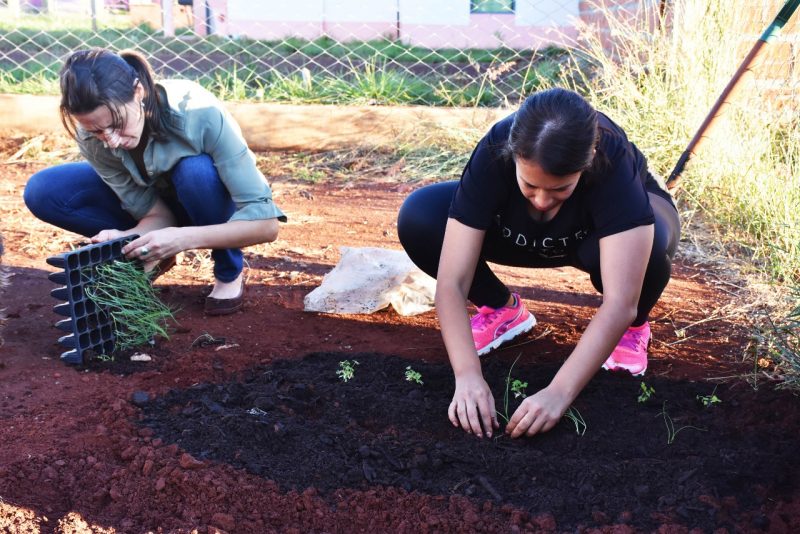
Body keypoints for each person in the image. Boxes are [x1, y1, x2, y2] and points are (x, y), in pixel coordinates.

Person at [397, 88, 680, 439]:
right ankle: (501, 309)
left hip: (597, 232)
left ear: (588, 160)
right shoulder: (494, 149)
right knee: (421, 217)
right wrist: (468, 376)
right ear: (513, 155)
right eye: (530, 185)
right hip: (522, 227)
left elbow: (620, 301)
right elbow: (452, 282)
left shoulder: (612, 162)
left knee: (649, 249)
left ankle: (633, 330)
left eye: (560, 188)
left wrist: (558, 393)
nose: (544, 200)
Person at [24, 48, 286, 315]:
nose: (111, 140)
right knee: (44, 190)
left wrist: (183, 238)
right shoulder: (91, 134)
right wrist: (128, 237)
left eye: (116, 123)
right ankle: (148, 254)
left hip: (208, 200)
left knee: (195, 171)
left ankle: (229, 271)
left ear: (139, 92)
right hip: (164, 209)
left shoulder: (198, 112)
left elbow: (266, 226)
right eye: (97, 131)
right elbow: (154, 212)